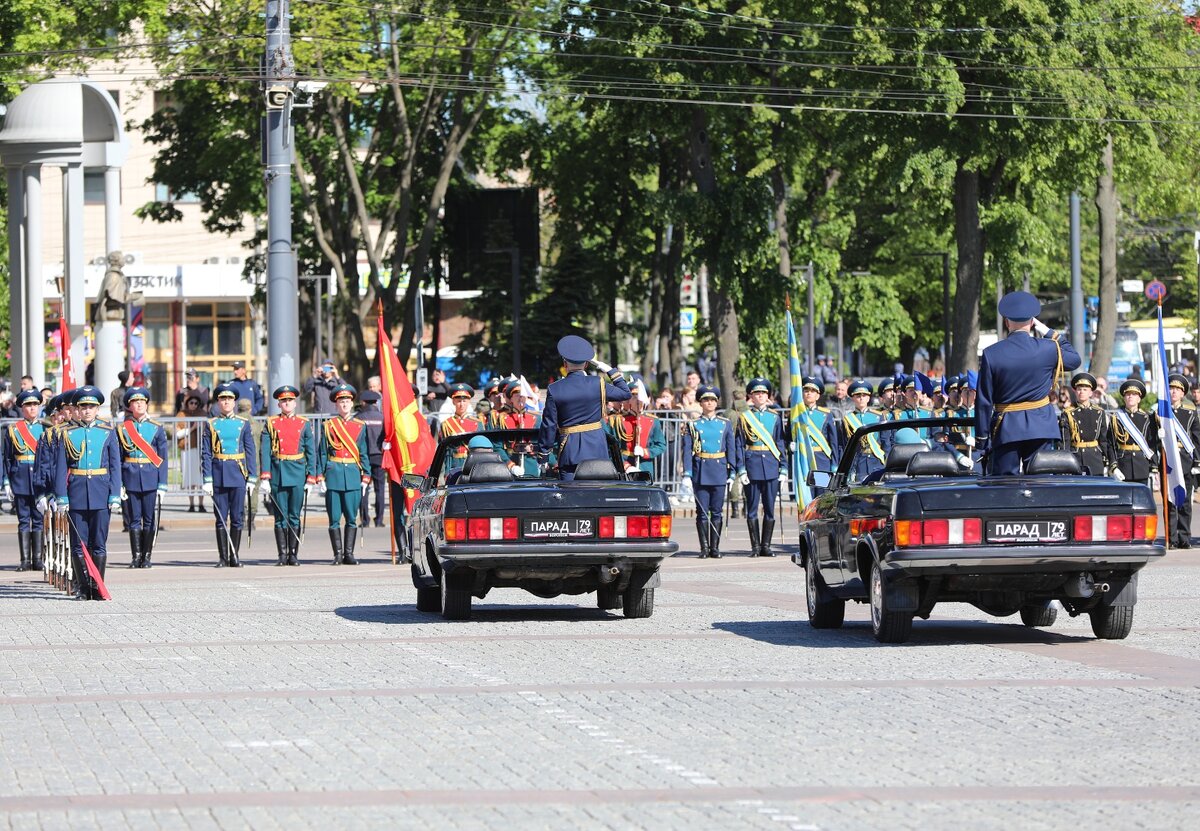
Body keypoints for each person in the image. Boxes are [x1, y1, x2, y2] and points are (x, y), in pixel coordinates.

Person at [975, 291, 1081, 475]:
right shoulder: (1048, 348)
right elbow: (1074, 359)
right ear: (1032, 323)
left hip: (1006, 428)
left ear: (1006, 322)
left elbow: (984, 400)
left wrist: (981, 437)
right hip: (1041, 425)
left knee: (1005, 488)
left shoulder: (992, 353)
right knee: (1042, 485)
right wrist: (1050, 333)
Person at [54, 387, 121, 600]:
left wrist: (115, 494)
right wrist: (61, 496)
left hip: (101, 491)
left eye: (91, 406)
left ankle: (96, 587)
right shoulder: (67, 433)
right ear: (77, 409)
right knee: (78, 544)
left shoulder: (107, 431)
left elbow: (115, 465)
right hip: (76, 492)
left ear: (97, 408)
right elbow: (60, 468)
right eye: (83, 407)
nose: (87, 410)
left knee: (99, 544)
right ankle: (83, 588)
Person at [537, 335, 632, 480]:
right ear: (587, 364)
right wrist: (609, 370)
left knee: (570, 498)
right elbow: (625, 393)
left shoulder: (555, 389)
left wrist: (543, 455)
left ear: (565, 364)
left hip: (570, 452)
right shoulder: (597, 383)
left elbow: (549, 425)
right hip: (597, 450)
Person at [260, 385, 317, 566]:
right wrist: (265, 476)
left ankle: (293, 554)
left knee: (294, 515)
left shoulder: (303, 423)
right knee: (280, 516)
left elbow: (311, 451)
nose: (287, 403)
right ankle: (282, 554)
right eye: (284, 401)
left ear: (295, 403)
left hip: (298, 472)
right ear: (279, 403)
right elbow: (265, 450)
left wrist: (311, 476)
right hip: (278, 472)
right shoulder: (271, 423)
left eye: (290, 400)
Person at [201, 383, 257, 567]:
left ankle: (235, 555)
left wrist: (252, 477)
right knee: (220, 518)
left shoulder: (243, 424)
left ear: (234, 402)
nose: (226, 402)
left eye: (229, 399)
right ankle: (223, 557)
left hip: (238, 473)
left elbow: (250, 451)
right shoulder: (211, 424)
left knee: (237, 517)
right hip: (218, 473)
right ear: (218, 402)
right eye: (223, 399)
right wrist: (207, 479)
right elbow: (206, 453)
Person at [318, 383, 371, 565]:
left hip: (353, 476)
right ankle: (337, 554)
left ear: (352, 402)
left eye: (347, 400)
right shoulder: (328, 426)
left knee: (351, 518)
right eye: (341, 401)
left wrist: (366, 476)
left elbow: (363, 453)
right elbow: (322, 453)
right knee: (334, 519)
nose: (345, 404)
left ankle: (349, 553)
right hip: (333, 475)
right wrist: (320, 476)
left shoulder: (360, 426)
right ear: (336, 404)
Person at [681, 385, 737, 558]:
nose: (709, 403)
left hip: (719, 469)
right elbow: (687, 449)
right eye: (706, 400)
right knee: (703, 512)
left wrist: (733, 471)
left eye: (712, 400)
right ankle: (704, 548)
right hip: (701, 470)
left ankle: (715, 547)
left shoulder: (725, 424)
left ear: (717, 402)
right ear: (701, 402)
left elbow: (731, 449)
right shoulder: (694, 425)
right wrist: (687, 473)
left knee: (717, 511)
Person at [116, 387, 168, 569]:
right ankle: (136, 556)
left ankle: (147, 556)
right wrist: (119, 483)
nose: (139, 404)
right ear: (130, 405)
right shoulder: (122, 429)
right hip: (130, 476)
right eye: (135, 402)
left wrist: (162, 483)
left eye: (142, 401)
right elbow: (118, 458)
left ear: (146, 404)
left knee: (149, 518)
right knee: (133, 519)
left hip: (150, 477)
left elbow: (162, 458)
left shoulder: (156, 428)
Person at [735, 378, 787, 557]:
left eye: (764, 393)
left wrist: (784, 468)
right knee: (751, 509)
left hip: (771, 466)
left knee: (770, 509)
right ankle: (755, 547)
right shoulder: (744, 417)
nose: (761, 396)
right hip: (752, 466)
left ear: (768, 396)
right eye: (757, 393)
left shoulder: (775, 417)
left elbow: (780, 443)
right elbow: (739, 444)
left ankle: (766, 545)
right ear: (751, 396)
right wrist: (741, 469)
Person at [3, 390, 48, 570]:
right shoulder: (13, 430)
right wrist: (6, 481)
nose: (32, 408)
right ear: (22, 408)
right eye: (28, 405)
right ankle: (25, 560)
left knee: (38, 520)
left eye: (35, 405)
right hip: (20, 478)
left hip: (39, 481)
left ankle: (37, 560)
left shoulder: (46, 429)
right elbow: (7, 457)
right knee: (23, 520)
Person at [1164, 374, 1200, 548]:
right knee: (1170, 501)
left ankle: (1184, 537)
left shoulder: (1190, 414)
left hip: (1185, 461)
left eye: (1177, 390)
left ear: (1183, 393)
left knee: (1185, 502)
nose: (1173, 392)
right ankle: (1171, 537)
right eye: (1171, 389)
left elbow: (1196, 440)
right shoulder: (1161, 414)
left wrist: (1197, 463)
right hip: (1169, 462)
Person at [605, 380, 666, 476]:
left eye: (641, 397)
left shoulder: (653, 421)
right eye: (634, 397)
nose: (638, 400)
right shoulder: (617, 421)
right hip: (623, 466)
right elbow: (611, 448)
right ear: (629, 400)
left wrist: (645, 452)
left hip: (645, 466)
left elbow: (661, 445)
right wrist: (626, 466)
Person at [1105, 378, 1158, 486]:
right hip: (1123, 465)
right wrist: (1113, 466)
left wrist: (1153, 466)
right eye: (1128, 394)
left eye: (1134, 394)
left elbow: (1152, 443)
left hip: (1142, 465)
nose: (1130, 397)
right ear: (1124, 398)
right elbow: (1111, 445)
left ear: (1139, 398)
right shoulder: (1117, 418)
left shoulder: (1147, 418)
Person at [1059, 372, 1110, 477]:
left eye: (1085, 389)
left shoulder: (1099, 412)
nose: (1081, 392)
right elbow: (1065, 442)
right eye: (1079, 389)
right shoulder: (1068, 413)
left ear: (1091, 393)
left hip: (1095, 457)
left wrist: (1108, 460)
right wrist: (1064, 462)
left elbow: (1104, 440)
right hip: (1076, 457)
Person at [841, 380, 888, 482]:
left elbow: (885, 440)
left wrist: (887, 460)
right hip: (859, 461)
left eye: (864, 395)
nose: (861, 398)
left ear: (868, 398)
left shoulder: (878, 416)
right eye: (858, 395)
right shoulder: (848, 419)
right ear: (853, 398)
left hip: (877, 459)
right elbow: (845, 444)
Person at [494, 380, 541, 477]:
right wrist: (510, 465)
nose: (520, 398)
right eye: (517, 395)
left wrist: (532, 448)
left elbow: (543, 443)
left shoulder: (535, 418)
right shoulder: (502, 418)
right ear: (511, 399)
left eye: (523, 396)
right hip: (509, 469)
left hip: (531, 468)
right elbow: (497, 446)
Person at [357, 390, 387, 528]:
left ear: (363, 402)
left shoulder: (358, 418)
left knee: (363, 488)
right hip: (379, 456)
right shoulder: (382, 418)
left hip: (362, 457)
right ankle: (379, 520)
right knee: (379, 489)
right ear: (376, 402)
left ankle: (364, 520)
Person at [439, 383, 482, 471]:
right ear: (453, 402)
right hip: (454, 465)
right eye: (458, 401)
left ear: (469, 402)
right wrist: (446, 472)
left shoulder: (477, 423)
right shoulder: (446, 424)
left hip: (473, 465)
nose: (461, 404)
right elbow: (444, 452)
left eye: (464, 401)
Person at [176, 394, 207, 512]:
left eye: (196, 403)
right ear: (187, 403)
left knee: (200, 478)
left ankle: (201, 504)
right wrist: (192, 428)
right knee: (189, 478)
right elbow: (178, 433)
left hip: (200, 449)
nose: (193, 405)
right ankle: (191, 504)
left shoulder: (202, 414)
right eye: (191, 403)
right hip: (187, 449)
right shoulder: (181, 414)